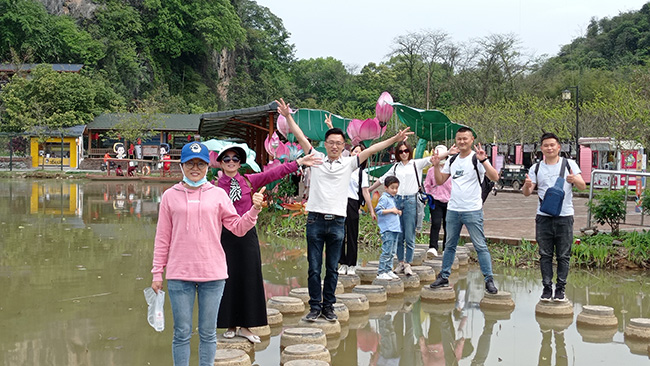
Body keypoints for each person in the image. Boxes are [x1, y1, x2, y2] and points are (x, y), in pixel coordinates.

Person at [278, 98, 413, 322]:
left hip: (337, 222)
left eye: (338, 143)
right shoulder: (316, 158)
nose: (334, 146)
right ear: (326, 143)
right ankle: (314, 307)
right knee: (313, 268)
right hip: (315, 221)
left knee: (332, 268)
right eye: (330, 142)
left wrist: (395, 139)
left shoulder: (349, 163)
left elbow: (372, 149)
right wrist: (287, 116)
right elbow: (301, 137)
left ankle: (328, 307)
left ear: (343, 146)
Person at [150, 142, 265, 366]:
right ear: (182, 165)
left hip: (213, 274)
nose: (195, 168)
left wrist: (254, 210)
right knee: (181, 332)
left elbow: (238, 228)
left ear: (207, 166)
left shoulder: (218, 195)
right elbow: (162, 238)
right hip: (179, 274)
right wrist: (157, 272)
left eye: (200, 163)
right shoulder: (170, 196)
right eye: (190, 163)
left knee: (208, 333)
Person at [215, 143, 320, 343]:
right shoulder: (214, 187)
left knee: (249, 277)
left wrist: (299, 162)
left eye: (235, 159)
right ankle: (229, 324)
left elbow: (275, 173)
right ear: (220, 163)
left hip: (247, 235)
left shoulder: (248, 180)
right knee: (227, 279)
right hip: (224, 237)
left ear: (240, 163)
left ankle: (246, 326)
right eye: (226, 159)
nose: (231, 162)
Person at [429, 127, 500, 294]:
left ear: (472, 140)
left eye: (465, 139)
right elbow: (440, 181)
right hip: (453, 209)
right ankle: (444, 275)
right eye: (459, 139)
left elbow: (495, 177)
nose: (461, 142)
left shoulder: (477, 158)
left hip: (472, 210)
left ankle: (488, 279)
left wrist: (484, 161)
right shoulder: (452, 160)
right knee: (449, 245)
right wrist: (436, 166)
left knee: (480, 245)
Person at [522, 132, 585, 302]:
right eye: (546, 145)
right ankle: (547, 288)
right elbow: (527, 193)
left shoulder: (570, 164)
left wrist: (574, 180)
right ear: (541, 148)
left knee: (564, 255)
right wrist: (527, 186)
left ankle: (561, 289)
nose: (549, 148)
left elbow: (582, 186)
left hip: (565, 216)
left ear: (558, 147)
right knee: (545, 254)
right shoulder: (536, 167)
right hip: (543, 217)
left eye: (552, 145)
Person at [369, 141, 435, 277]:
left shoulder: (416, 164)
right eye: (401, 151)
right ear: (397, 154)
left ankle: (408, 264)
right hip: (396, 201)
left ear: (409, 151)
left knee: (409, 234)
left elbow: (431, 159)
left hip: (411, 200)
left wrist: (448, 153)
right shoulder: (395, 168)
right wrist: (368, 190)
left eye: (406, 151)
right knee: (398, 234)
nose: (404, 154)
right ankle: (400, 262)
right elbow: (382, 179)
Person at [423, 144, 456, 258]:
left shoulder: (451, 169)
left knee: (448, 225)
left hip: (449, 201)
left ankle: (447, 248)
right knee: (436, 223)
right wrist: (427, 196)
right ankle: (433, 247)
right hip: (436, 200)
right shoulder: (431, 170)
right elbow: (427, 184)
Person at [375, 176, 402, 280]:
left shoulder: (392, 198)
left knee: (392, 251)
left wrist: (397, 211)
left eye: (396, 188)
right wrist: (391, 211)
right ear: (386, 188)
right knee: (386, 251)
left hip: (395, 229)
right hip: (388, 229)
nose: (395, 190)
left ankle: (388, 270)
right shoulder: (384, 198)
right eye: (392, 188)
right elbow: (379, 210)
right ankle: (381, 271)